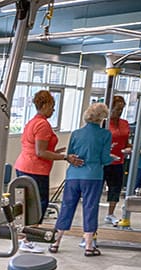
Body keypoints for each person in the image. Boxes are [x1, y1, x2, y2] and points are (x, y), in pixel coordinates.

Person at [13, 90, 82, 253]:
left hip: (24, 166)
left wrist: (57, 152)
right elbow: (40, 152)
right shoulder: (43, 124)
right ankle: (28, 239)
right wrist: (65, 157)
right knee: (37, 205)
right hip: (35, 170)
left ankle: (23, 238)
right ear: (45, 105)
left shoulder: (32, 122)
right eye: (52, 107)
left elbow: (39, 148)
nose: (53, 110)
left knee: (25, 205)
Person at [48, 103, 117, 257]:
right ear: (102, 117)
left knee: (67, 206)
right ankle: (88, 246)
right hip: (93, 176)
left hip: (73, 175)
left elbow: (71, 155)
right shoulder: (105, 135)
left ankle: (55, 242)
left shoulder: (76, 133)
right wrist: (113, 158)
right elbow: (104, 159)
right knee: (90, 207)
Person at [103, 96, 132, 224]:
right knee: (97, 187)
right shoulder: (104, 123)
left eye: (121, 109)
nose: (119, 112)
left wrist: (129, 148)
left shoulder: (125, 124)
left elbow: (127, 142)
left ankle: (110, 213)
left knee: (115, 188)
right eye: (117, 109)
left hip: (118, 161)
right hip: (104, 161)